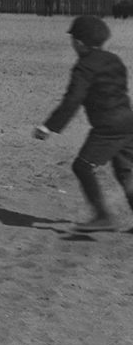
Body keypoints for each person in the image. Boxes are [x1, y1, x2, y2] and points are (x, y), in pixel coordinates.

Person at [34, 15, 133, 232]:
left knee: (82, 166)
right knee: (125, 172)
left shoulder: (84, 67)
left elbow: (73, 100)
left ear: (79, 43)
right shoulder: (114, 60)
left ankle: (103, 216)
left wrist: (49, 127)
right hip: (128, 122)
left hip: (107, 127)